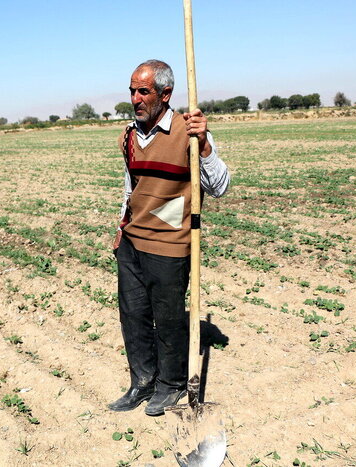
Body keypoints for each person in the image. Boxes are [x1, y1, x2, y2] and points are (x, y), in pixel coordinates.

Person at [109, 59, 230, 416]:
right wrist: (120, 228)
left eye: (143, 91)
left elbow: (220, 186)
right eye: (132, 90)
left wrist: (204, 145)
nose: (135, 98)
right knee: (133, 315)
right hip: (132, 241)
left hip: (170, 242)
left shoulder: (188, 132)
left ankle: (171, 384)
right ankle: (142, 382)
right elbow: (131, 189)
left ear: (166, 93)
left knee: (170, 318)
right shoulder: (128, 136)